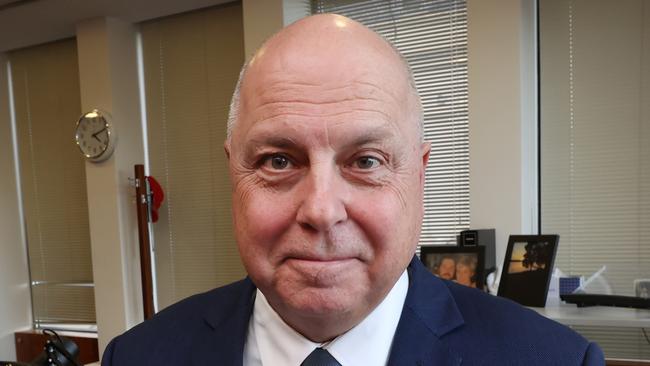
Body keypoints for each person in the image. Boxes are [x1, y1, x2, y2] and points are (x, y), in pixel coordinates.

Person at [101, 14, 605, 366]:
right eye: (279, 160)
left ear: (420, 175)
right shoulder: (139, 357)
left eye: (366, 161)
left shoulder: (555, 360)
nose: (321, 211)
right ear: (234, 172)